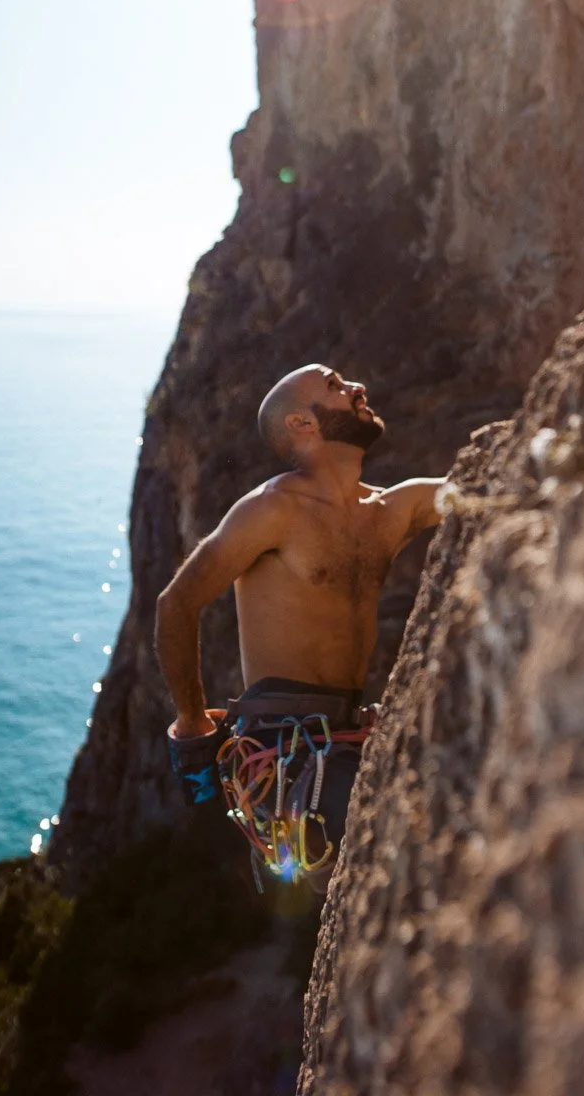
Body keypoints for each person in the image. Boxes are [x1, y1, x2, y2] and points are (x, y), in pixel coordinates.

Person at [155, 363, 444, 886]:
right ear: (302, 424)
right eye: (334, 385)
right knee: (387, 865)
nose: (358, 387)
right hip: (287, 748)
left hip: (352, 728)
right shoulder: (272, 510)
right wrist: (192, 722)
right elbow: (176, 603)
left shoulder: (390, 508)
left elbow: (479, 479)